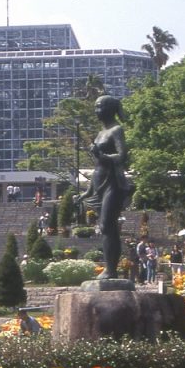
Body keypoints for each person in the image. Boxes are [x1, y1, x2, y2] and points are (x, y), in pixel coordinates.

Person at [74, 95, 131, 280]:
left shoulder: (116, 130)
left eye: (99, 107)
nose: (96, 111)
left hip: (113, 182)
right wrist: (87, 192)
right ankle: (110, 268)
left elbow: (122, 156)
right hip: (99, 181)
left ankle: (111, 270)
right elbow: (98, 167)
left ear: (109, 109)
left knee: (107, 224)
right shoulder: (100, 134)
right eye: (96, 107)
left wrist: (102, 155)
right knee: (105, 227)